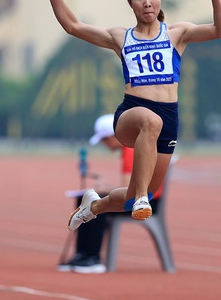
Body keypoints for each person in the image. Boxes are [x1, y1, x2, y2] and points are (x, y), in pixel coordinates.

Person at [33, 0, 221, 230]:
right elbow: (72, 26)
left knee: (142, 195)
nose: (147, 2)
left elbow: (220, 30)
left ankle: (93, 205)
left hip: (169, 118)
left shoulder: (176, 34)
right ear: (131, 3)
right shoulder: (121, 37)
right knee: (150, 124)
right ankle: (137, 200)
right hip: (131, 114)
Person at [58, 114, 164, 274]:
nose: (104, 144)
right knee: (86, 198)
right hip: (142, 197)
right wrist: (105, 187)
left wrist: (104, 189)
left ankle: (92, 257)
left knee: (96, 202)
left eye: (104, 140)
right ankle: (82, 255)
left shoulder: (132, 149)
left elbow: (130, 188)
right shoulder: (132, 147)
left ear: (113, 136)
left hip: (144, 201)